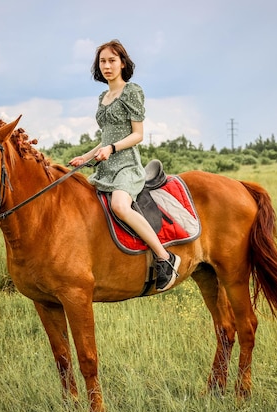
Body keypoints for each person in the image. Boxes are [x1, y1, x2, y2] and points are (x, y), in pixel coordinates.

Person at [69, 39, 180, 292]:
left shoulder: (131, 92)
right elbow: (105, 139)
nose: (107, 66)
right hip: (104, 168)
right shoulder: (103, 96)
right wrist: (85, 157)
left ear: (122, 63)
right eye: (102, 61)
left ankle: (165, 258)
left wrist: (112, 149)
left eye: (112, 60)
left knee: (120, 205)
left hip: (126, 166)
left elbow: (137, 135)